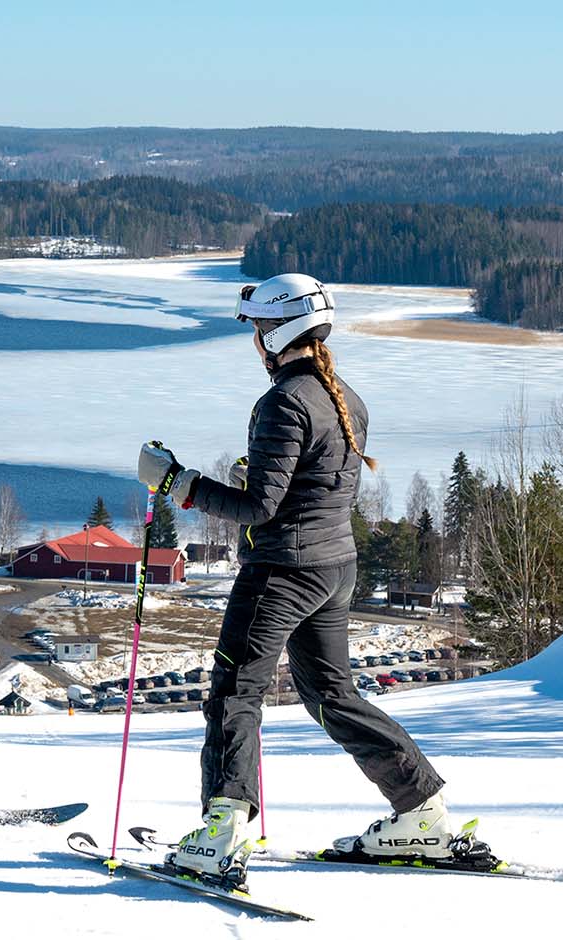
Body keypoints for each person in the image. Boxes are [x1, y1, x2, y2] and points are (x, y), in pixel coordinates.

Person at [136, 273, 463, 889]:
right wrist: (248, 472)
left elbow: (261, 509)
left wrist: (176, 482)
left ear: (274, 332)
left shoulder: (283, 401)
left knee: (235, 694)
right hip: (334, 568)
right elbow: (310, 486)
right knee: (331, 696)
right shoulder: (344, 395)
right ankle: (422, 811)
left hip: (281, 573)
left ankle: (223, 831)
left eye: (257, 329)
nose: (254, 342)